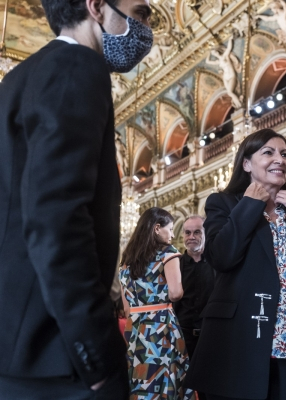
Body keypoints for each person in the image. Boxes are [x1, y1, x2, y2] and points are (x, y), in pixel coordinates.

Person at [0, 0, 152, 397]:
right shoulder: (78, 67)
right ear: (97, 7)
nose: (147, 27)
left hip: (18, 344)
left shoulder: (19, 77)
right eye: (140, 12)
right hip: (54, 351)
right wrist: (99, 359)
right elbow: (57, 219)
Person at [185, 128, 286, 399]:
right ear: (246, 164)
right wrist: (250, 204)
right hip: (239, 346)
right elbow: (221, 257)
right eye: (268, 152)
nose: (279, 159)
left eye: (284, 154)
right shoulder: (223, 204)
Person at [120, 207, 195, 399]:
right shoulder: (168, 253)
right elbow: (176, 293)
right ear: (156, 228)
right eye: (170, 229)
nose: (172, 234)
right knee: (164, 377)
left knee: (139, 378)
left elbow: (127, 307)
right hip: (160, 325)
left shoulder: (126, 260)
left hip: (136, 328)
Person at [173, 215, 215, 358]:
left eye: (197, 232)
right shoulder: (174, 265)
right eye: (187, 232)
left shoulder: (217, 263)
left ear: (205, 233)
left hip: (211, 335)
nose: (191, 237)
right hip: (181, 335)